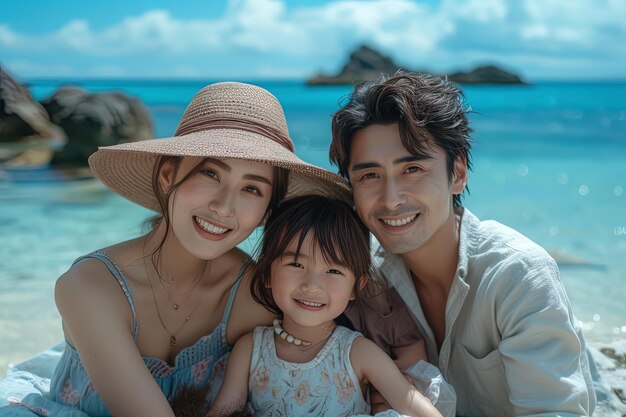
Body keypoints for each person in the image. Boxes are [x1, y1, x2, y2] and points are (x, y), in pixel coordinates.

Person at [0, 82, 348, 417]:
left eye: (252, 190)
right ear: (168, 176)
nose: (225, 207)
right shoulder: (90, 288)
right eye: (210, 174)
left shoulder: (254, 293)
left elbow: (337, 343)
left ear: (267, 210)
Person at [329, 72, 597, 416]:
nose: (391, 199)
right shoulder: (363, 281)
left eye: (412, 169)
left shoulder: (517, 275)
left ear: (457, 173)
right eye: (369, 175)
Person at [205, 195, 443, 417]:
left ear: (355, 287)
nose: (312, 286)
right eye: (296, 265)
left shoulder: (358, 353)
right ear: (267, 272)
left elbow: (418, 408)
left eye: (333, 271)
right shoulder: (250, 350)